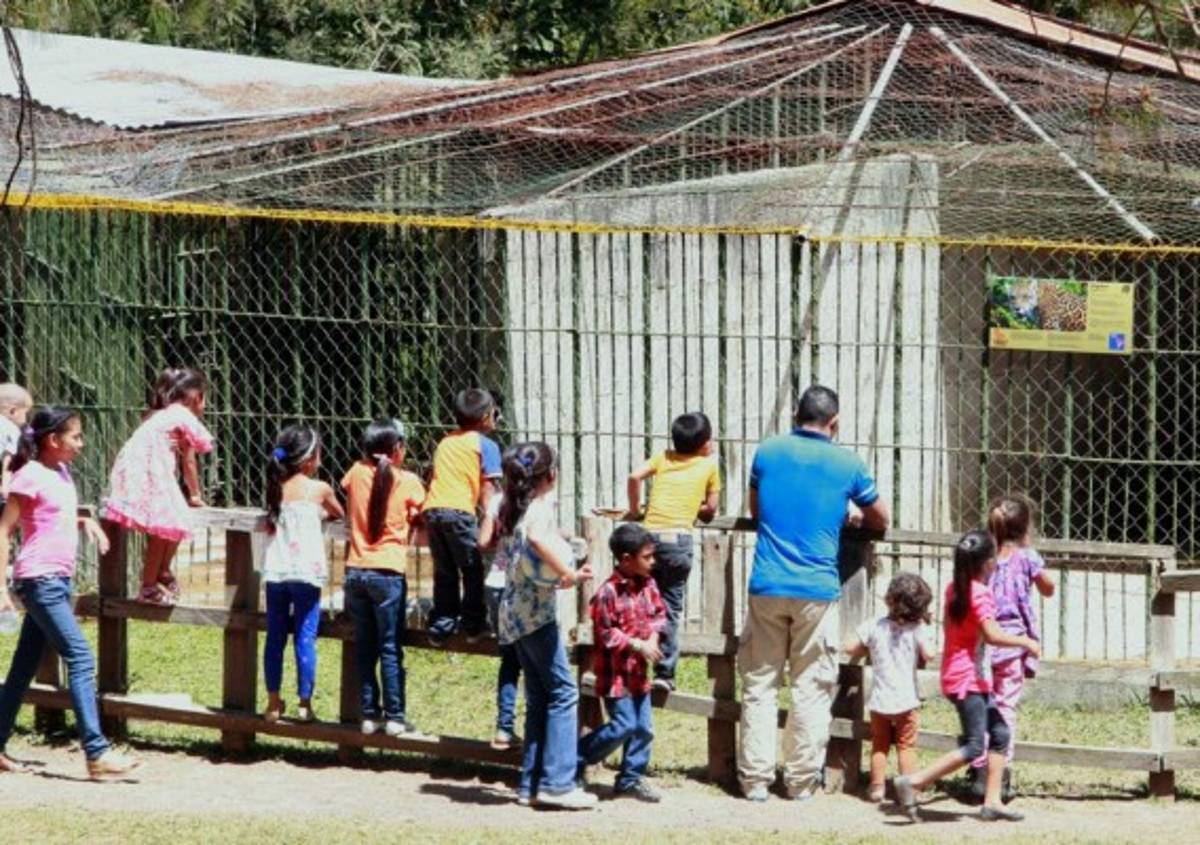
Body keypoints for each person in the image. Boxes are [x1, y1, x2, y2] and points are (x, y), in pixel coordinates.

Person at [737, 384, 889, 802]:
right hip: (817, 589)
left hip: (767, 583)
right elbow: (881, 517)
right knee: (811, 685)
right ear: (834, 422)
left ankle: (755, 780)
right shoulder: (848, 463)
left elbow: (757, 510)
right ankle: (801, 781)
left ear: (795, 414)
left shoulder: (767, 452)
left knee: (760, 684)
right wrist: (848, 513)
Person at [0, 406, 141, 779]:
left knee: (23, 667)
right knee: (80, 657)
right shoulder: (28, 476)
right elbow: (4, 530)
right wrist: (0, 587)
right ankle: (96, 753)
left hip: (56, 582)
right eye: (75, 436)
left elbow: (51, 516)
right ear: (52, 440)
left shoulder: (61, 472)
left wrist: (84, 520)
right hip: (39, 580)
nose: (81, 443)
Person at [894, 530, 1040, 823]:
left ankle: (993, 801)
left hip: (962, 675)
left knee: (999, 734)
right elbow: (992, 635)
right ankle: (914, 782)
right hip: (967, 680)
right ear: (988, 563)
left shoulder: (954, 589)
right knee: (975, 745)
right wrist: (1026, 642)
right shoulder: (980, 594)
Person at [496, 441, 596, 810]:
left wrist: (559, 580)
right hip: (534, 617)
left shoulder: (515, 506)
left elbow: (528, 563)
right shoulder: (539, 508)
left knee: (540, 697)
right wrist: (568, 570)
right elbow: (538, 540)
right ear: (552, 475)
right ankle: (557, 782)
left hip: (516, 612)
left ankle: (531, 783)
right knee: (564, 693)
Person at [341, 418, 426, 737]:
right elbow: (421, 513)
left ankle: (368, 714)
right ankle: (395, 716)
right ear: (398, 449)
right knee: (390, 646)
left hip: (357, 570)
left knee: (365, 645)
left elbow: (351, 487)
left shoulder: (355, 473)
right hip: (389, 572)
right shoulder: (409, 481)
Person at [969, 495, 1056, 801]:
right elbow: (1049, 588)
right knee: (1005, 708)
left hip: (982, 642)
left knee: (981, 705)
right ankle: (1000, 773)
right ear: (1024, 529)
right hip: (1013, 645)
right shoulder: (1028, 557)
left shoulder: (984, 557)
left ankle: (979, 770)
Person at [625, 411, 720, 692]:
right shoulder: (709, 465)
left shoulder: (663, 457)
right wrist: (696, 507)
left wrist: (634, 510)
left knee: (641, 601)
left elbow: (634, 476)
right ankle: (664, 674)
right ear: (704, 443)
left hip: (649, 538)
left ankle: (633, 664)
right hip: (678, 541)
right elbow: (710, 510)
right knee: (669, 608)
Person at [104, 368, 214, 605]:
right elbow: (189, 460)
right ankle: (149, 585)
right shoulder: (183, 416)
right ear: (196, 396)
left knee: (174, 521)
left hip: (135, 468)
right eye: (205, 398)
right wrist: (195, 494)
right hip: (148, 470)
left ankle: (162, 572)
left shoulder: (162, 415)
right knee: (165, 526)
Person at [577, 522, 667, 802]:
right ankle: (576, 758)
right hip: (615, 675)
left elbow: (659, 614)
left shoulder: (648, 585)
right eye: (647, 557)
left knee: (644, 729)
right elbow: (606, 633)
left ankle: (630, 779)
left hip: (638, 674)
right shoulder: (608, 593)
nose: (653, 562)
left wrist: (652, 637)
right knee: (624, 725)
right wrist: (637, 644)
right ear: (626, 559)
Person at [261, 425, 344, 724]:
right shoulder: (319, 489)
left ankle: (272, 703)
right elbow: (339, 513)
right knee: (305, 638)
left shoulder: (275, 488)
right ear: (310, 458)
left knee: (275, 638)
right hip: (307, 573)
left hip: (276, 571)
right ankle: (304, 705)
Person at [843, 572, 934, 803]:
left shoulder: (875, 625)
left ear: (889, 600)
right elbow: (930, 654)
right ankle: (909, 791)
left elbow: (850, 647)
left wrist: (869, 649)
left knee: (879, 746)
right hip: (906, 700)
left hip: (879, 701)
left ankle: (876, 789)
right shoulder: (917, 629)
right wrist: (926, 625)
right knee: (906, 747)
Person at [423, 388, 503, 646]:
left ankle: (441, 624)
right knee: (471, 568)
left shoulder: (446, 441)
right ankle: (473, 623)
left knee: (444, 570)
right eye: (494, 413)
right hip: (459, 512)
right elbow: (488, 488)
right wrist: (490, 523)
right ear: (484, 417)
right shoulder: (486, 445)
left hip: (433, 510)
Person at [478, 488, 522, 751]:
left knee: (509, 660)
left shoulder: (497, 500)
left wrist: (501, 542)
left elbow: (483, 541)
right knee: (535, 663)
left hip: (495, 583)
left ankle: (504, 727)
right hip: (521, 587)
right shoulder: (537, 501)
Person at [0, 383, 32, 502]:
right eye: (26, 414)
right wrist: (5, 488)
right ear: (13, 411)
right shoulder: (11, 429)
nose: (26, 420)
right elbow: (8, 461)